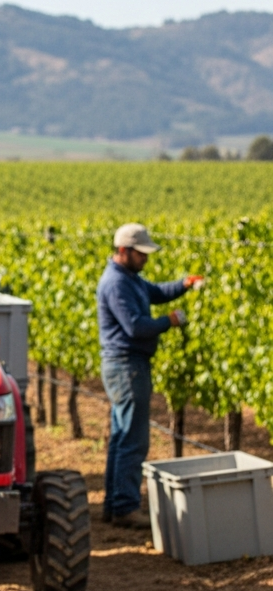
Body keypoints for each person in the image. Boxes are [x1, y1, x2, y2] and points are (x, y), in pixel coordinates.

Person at [97, 224, 200, 529]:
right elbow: (135, 327)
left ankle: (115, 505)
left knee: (122, 436)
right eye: (141, 254)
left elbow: (155, 292)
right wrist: (169, 321)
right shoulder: (116, 284)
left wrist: (183, 284)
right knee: (133, 439)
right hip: (127, 366)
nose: (146, 259)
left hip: (128, 365)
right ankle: (126, 507)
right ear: (124, 251)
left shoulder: (130, 279)